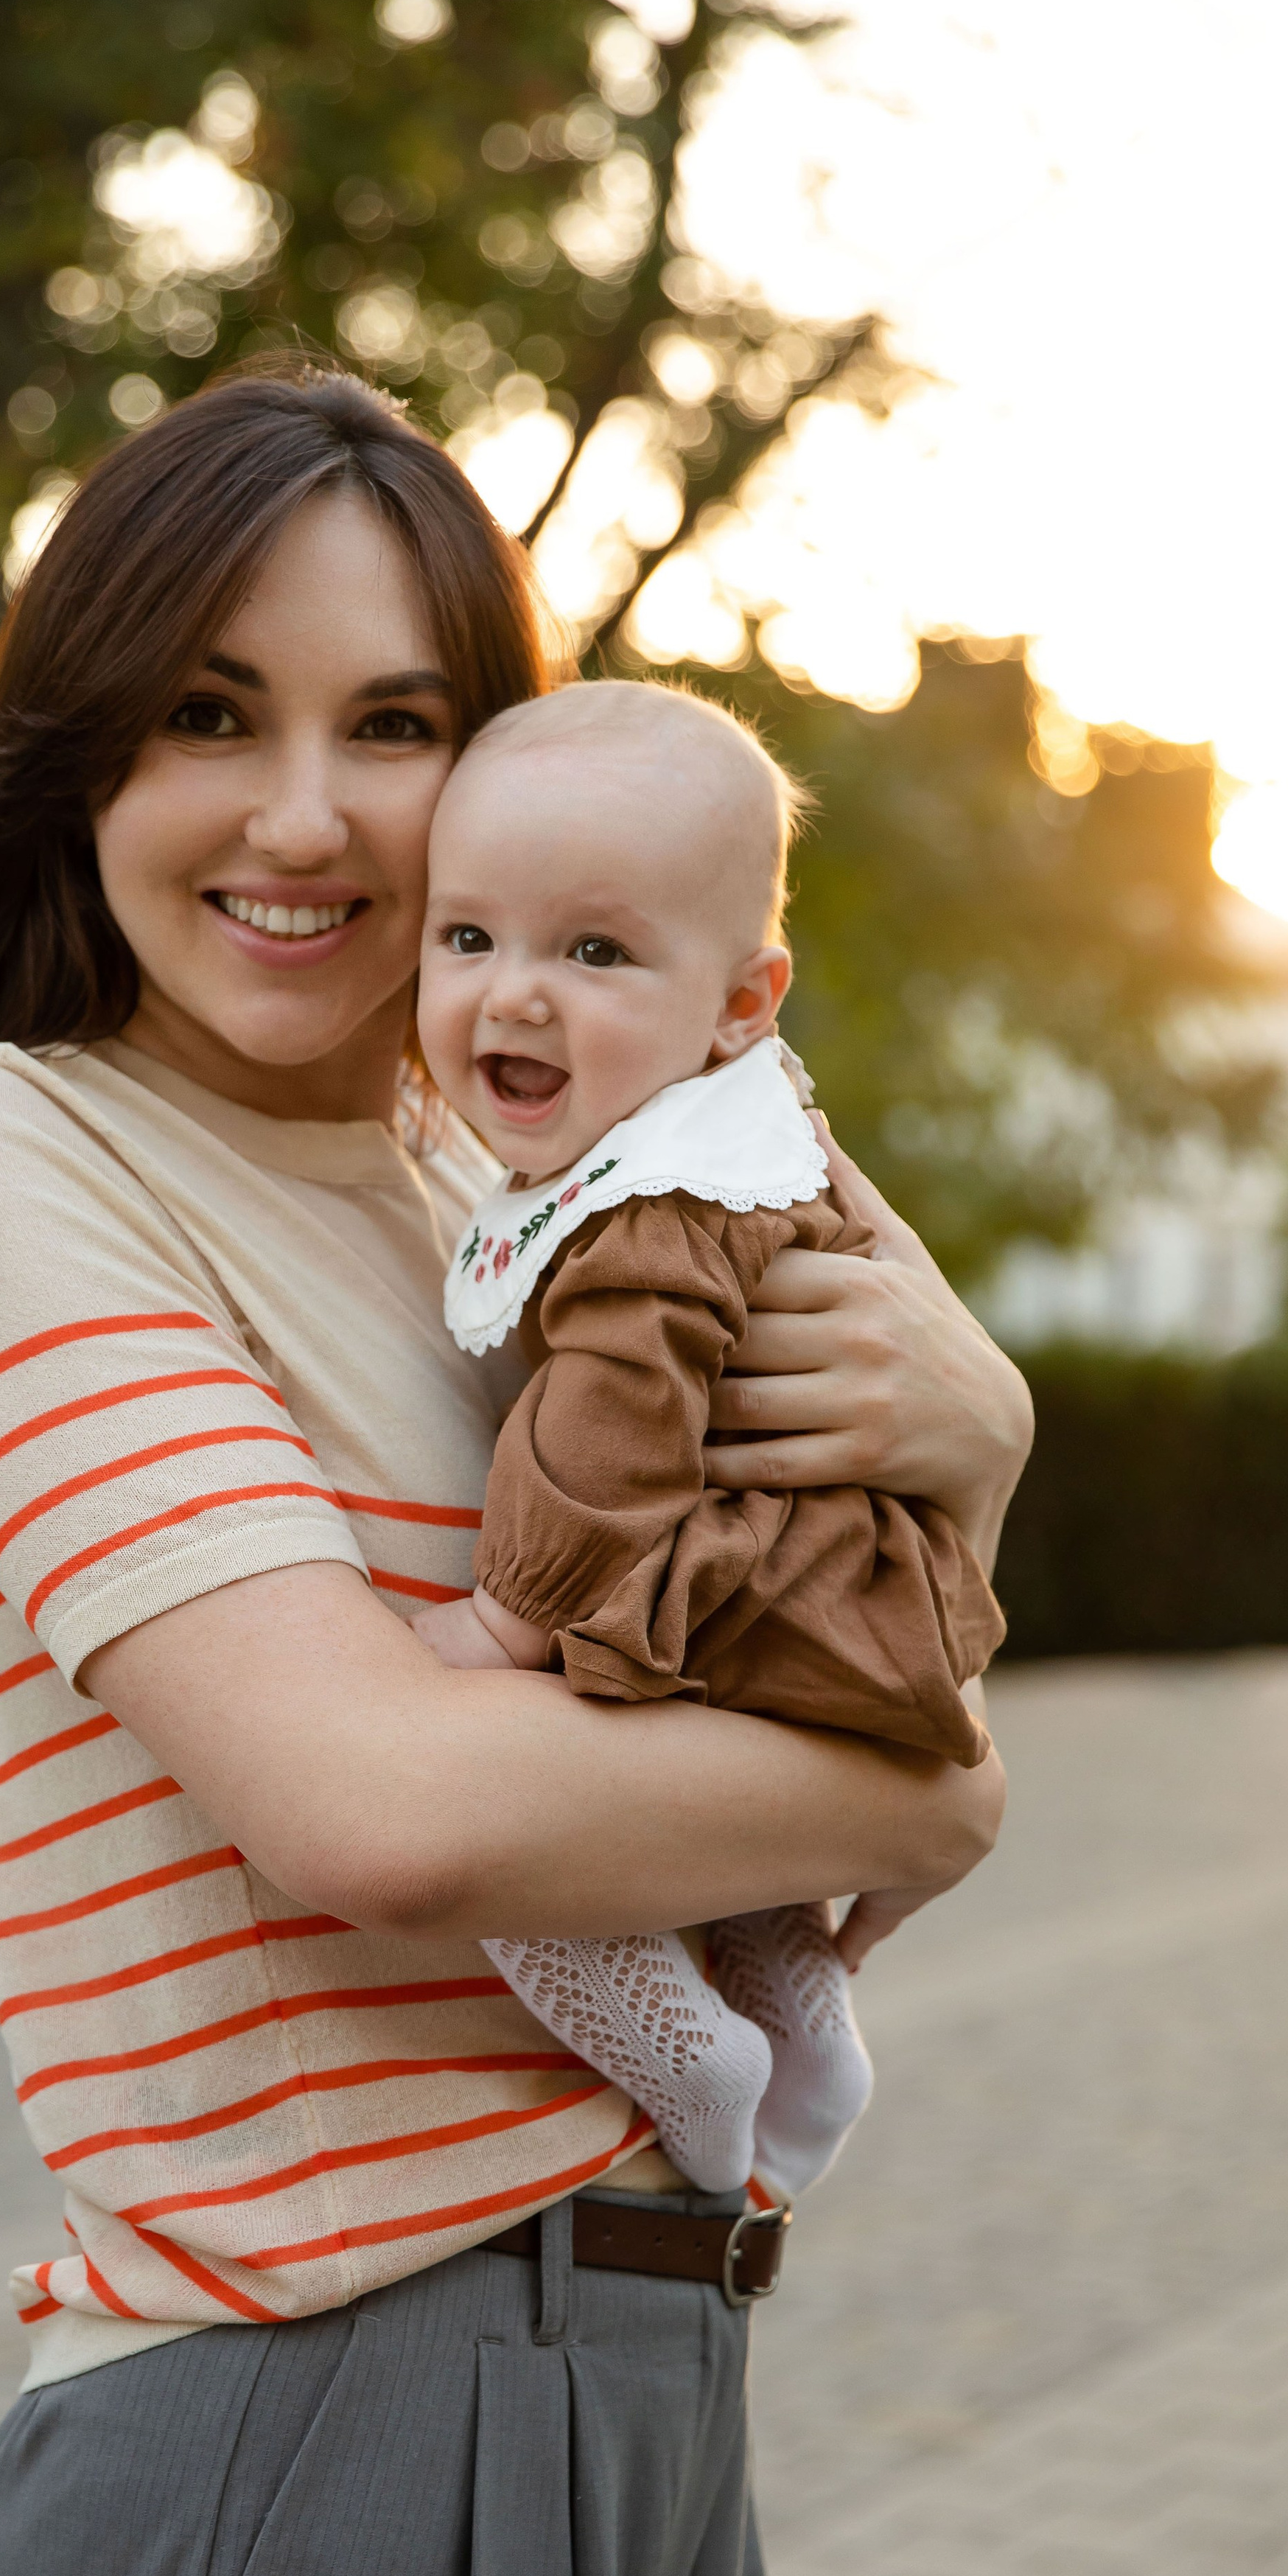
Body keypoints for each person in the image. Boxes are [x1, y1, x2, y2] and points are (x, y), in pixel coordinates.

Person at [0, 358, 1028, 2576]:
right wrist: (934, 1805)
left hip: (658, 2373)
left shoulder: (522, 1184)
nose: (299, 815)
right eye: (204, 716)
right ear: (83, 762)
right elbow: (368, 1810)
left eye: (391, 722)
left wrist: (974, 1440)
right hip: (310, 2408)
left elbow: (809, 1676)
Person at [407, 680, 1004, 2207]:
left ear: (740, 1002)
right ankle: (802, 2019)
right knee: (728, 1867)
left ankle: (694, 2058)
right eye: (467, 937)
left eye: (593, 951)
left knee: (527, 1855)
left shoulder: (649, 1211)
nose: (514, 995)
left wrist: (503, 1617)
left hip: (739, 1596)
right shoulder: (730, 1136)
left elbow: (606, 1436)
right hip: (829, 1594)